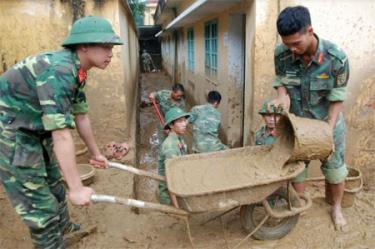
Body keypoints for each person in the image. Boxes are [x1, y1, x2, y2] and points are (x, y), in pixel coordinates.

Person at [0, 16, 122, 248]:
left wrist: (96, 154)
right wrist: (76, 189)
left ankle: (65, 230)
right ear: (84, 46)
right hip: (11, 133)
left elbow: (81, 116)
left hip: (33, 129)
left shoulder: (78, 70)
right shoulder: (60, 71)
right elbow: (62, 134)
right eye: (106, 46)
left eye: (111, 47)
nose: (110, 53)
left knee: (55, 183)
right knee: (40, 207)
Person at [271, 6, 349, 230]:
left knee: (335, 170)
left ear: (310, 31)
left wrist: (328, 132)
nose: (292, 50)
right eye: (287, 44)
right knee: (296, 166)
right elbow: (281, 83)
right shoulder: (281, 54)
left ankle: (336, 208)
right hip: (297, 125)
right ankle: (300, 204)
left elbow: (337, 98)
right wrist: (282, 98)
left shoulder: (336, 58)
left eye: (296, 43)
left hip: (328, 121)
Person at [157, 107, 189, 207]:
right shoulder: (170, 147)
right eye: (180, 121)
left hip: (179, 183)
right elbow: (171, 179)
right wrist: (176, 207)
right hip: (169, 193)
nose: (184, 124)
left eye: (184, 120)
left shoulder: (179, 139)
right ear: (171, 125)